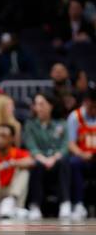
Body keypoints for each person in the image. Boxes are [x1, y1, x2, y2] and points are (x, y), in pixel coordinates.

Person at [23, 93, 71, 219]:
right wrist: (44, 159)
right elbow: (31, 147)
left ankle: (65, 203)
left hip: (57, 160)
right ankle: (35, 205)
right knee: (35, 165)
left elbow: (65, 146)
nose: (38, 108)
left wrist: (54, 158)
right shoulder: (30, 125)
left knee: (64, 161)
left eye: (42, 104)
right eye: (36, 104)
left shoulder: (62, 124)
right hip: (40, 160)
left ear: (51, 106)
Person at [68, 88, 96, 219]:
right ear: (86, 102)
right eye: (92, 107)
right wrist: (81, 154)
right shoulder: (75, 116)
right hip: (82, 157)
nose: (94, 110)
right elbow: (71, 143)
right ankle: (78, 204)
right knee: (73, 163)